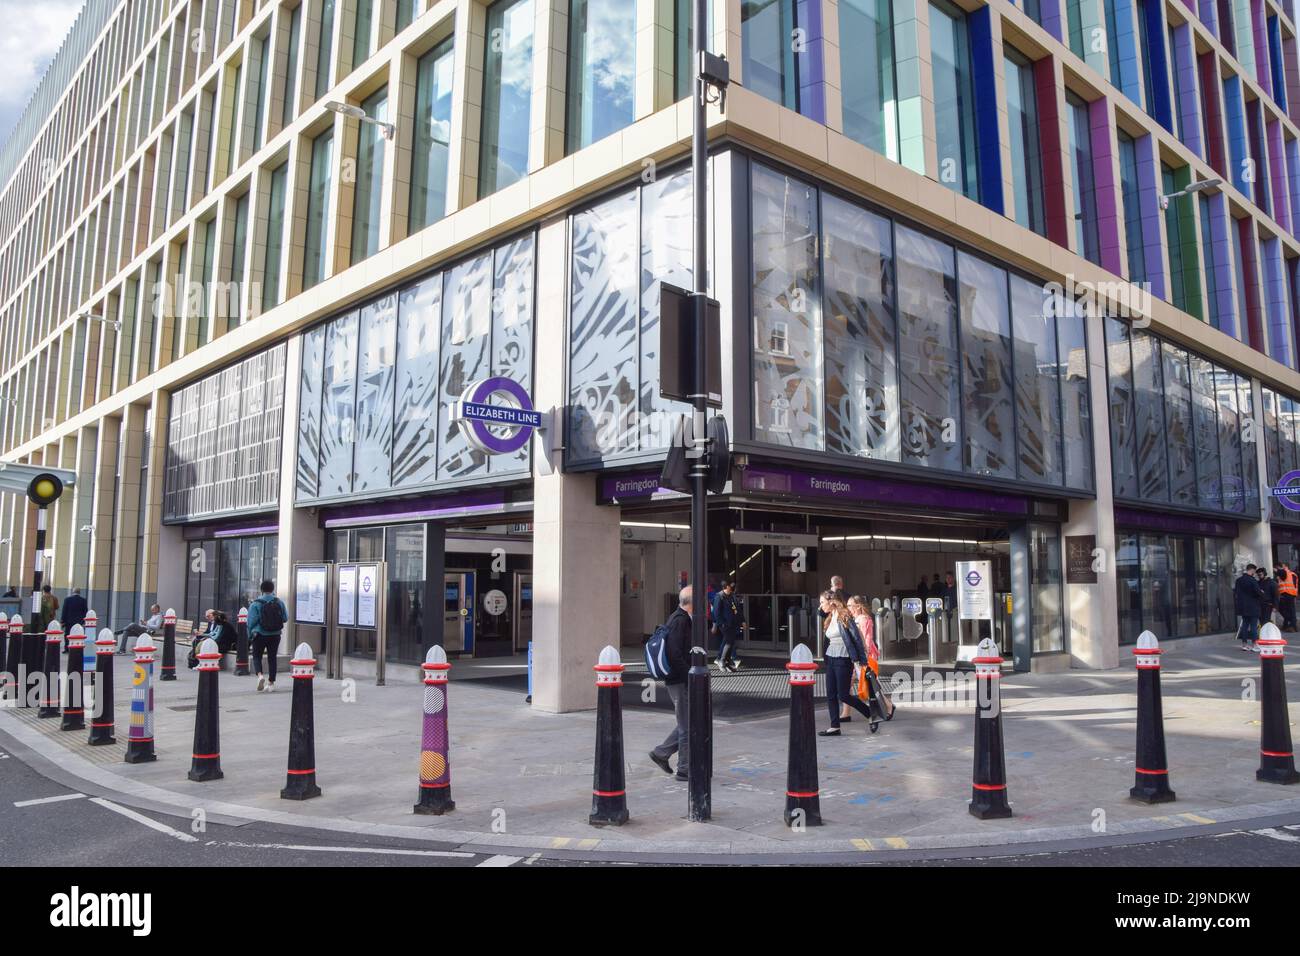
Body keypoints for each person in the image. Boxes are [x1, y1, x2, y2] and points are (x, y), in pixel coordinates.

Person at [648, 586, 694, 781]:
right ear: (691, 602)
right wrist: (689, 675)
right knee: (686, 725)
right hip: (678, 680)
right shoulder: (680, 621)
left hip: (677, 679)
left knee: (689, 722)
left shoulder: (679, 618)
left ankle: (661, 753)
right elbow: (674, 654)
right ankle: (684, 769)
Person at [818, 591, 877, 736]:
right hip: (831, 658)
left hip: (843, 659)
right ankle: (834, 726)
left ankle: (870, 713)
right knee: (831, 694)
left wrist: (862, 660)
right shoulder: (830, 617)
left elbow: (857, 638)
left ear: (831, 602)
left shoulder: (844, 615)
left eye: (822, 602)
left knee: (843, 695)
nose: (820, 606)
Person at [247, 580, 288, 692]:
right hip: (275, 635)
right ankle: (271, 682)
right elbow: (285, 618)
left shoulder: (255, 603)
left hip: (259, 634)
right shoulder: (279, 602)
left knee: (257, 656)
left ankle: (260, 675)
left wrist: (249, 635)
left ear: (261, 590)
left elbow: (251, 622)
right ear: (272, 589)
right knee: (272, 658)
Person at [711, 580, 745, 672]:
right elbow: (716, 612)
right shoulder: (719, 597)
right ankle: (722, 660)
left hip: (733, 623)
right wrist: (721, 623)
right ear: (726, 587)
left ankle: (727, 661)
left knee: (731, 642)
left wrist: (742, 621)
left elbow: (737, 609)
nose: (733, 586)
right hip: (725, 624)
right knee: (729, 641)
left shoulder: (732, 596)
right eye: (731, 585)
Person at [1234, 564, 1264, 652]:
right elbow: (1258, 592)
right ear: (1252, 570)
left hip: (1243, 606)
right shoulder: (1252, 580)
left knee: (1245, 625)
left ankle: (1244, 644)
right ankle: (1255, 645)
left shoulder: (1238, 580)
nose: (1254, 573)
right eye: (1254, 571)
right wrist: (1262, 592)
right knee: (1253, 626)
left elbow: (1236, 592)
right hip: (1253, 606)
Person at [1279, 562, 1298, 632]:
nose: (1281, 567)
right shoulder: (1291, 574)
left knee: (1289, 610)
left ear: (1286, 566)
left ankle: (1292, 624)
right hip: (1289, 593)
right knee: (1288, 610)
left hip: (1288, 593)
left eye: (1282, 566)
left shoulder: (1287, 573)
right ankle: (1288, 625)